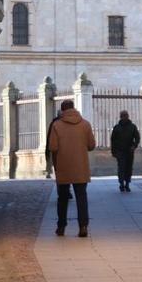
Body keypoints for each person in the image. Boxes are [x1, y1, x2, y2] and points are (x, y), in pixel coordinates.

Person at [46, 100, 96, 237]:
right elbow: (91, 145)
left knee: (62, 198)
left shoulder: (56, 125)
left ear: (62, 110)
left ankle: (61, 226)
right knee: (81, 196)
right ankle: (83, 226)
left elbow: (53, 147)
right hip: (81, 166)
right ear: (74, 108)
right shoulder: (85, 124)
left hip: (63, 166)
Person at [109, 110, 140, 192]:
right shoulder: (116, 127)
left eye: (125, 115)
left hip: (129, 150)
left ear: (128, 116)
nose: (124, 117)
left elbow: (137, 137)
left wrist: (134, 146)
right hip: (120, 151)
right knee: (121, 168)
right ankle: (121, 184)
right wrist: (113, 151)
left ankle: (127, 184)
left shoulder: (132, 127)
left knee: (128, 168)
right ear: (120, 117)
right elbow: (113, 140)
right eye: (122, 116)